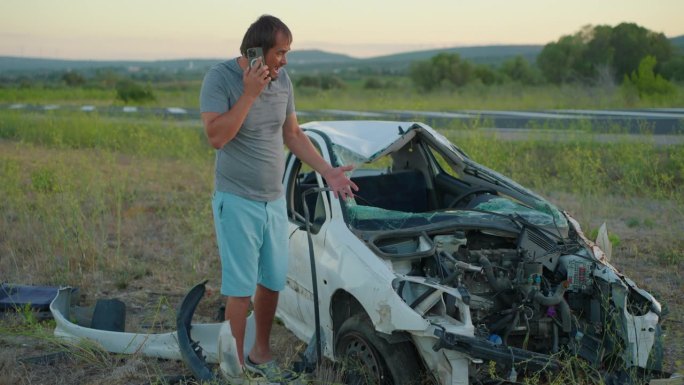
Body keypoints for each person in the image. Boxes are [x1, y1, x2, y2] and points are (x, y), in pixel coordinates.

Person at [199, 15, 358, 380]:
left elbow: (293, 134)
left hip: (273, 201)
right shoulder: (219, 78)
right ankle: (234, 368)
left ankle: (260, 353)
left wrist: (328, 171)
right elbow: (216, 137)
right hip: (237, 199)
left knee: (272, 282)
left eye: (287, 52)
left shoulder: (283, 80)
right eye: (280, 52)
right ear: (255, 50)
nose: (285, 60)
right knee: (239, 289)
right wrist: (249, 94)